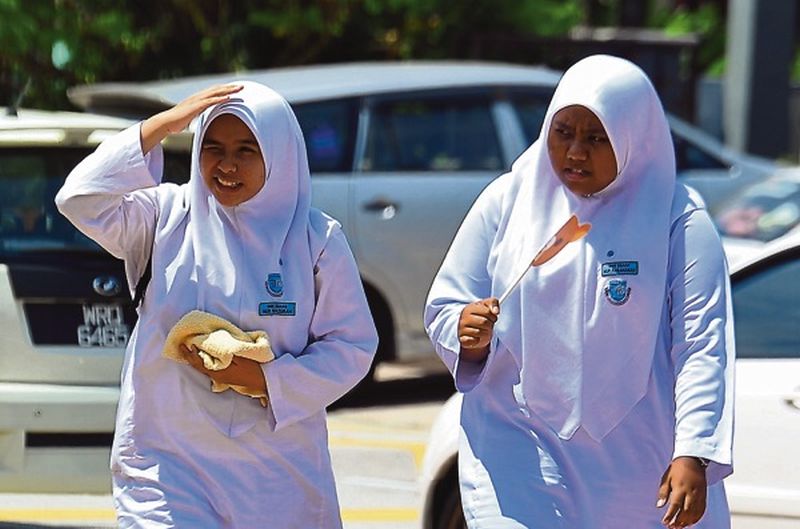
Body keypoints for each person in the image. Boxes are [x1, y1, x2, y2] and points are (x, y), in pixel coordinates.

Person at [425, 55, 734, 529]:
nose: (574, 152)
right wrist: (466, 330)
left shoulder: (679, 220)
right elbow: (448, 304)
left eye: (596, 138)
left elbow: (701, 344)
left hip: (637, 465)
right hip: (519, 451)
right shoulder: (508, 201)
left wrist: (693, 451)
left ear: (634, 137)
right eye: (563, 132)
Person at [56, 82, 378, 528]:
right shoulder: (164, 217)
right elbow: (78, 198)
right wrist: (161, 126)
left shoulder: (316, 240)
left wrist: (268, 380)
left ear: (279, 154)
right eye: (212, 146)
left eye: (246, 149)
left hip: (277, 477)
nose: (226, 164)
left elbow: (353, 345)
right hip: (168, 467)